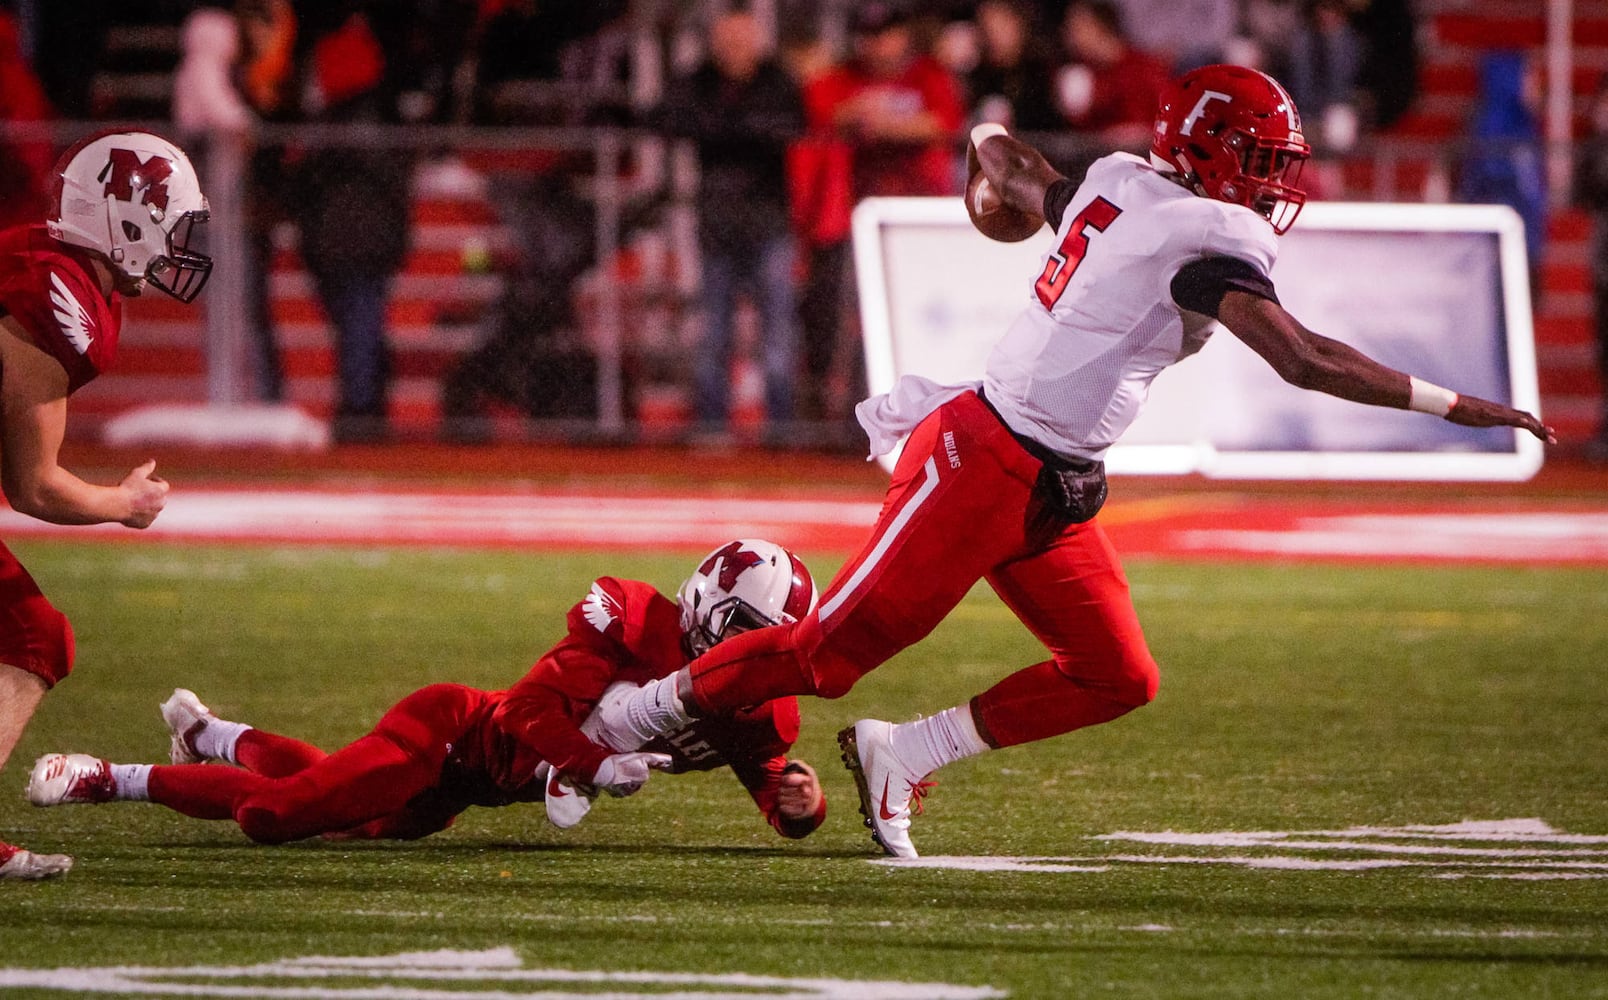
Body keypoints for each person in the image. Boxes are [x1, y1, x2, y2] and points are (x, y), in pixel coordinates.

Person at [602, 65, 1554, 860]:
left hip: (1056, 481)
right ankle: (630, 717)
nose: (1273, 187)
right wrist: (1459, 406)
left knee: (1116, 673)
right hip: (982, 462)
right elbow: (1303, 358)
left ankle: (907, 753)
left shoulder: (1123, 185)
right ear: (1214, 159)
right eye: (1260, 165)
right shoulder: (1202, 236)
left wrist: (983, 139)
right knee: (827, 656)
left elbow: (1021, 175)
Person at [27, 540, 827, 845]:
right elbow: (522, 711)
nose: (760, 653)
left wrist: (799, 805)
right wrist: (588, 762)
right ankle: (110, 777)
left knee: (341, 807)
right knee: (278, 816)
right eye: (750, 632)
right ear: (708, 611)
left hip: (470, 793)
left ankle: (213, 735)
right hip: (450, 734)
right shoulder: (634, 618)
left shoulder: (756, 700)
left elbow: (767, 778)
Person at [0, 129, 213, 879]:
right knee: (31, 636)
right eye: (170, 225)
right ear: (127, 219)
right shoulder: (56, 293)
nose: (177, 248)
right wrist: (120, 504)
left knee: (32, 633)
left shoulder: (46, 262)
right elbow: (32, 485)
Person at [658, 11, 804, 441]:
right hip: (718, 225)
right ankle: (712, 428)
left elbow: (787, 126)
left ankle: (782, 432)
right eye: (727, 41)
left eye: (743, 40)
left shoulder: (776, 80)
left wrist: (726, 129)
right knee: (714, 334)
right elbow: (667, 116)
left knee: (777, 334)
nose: (735, 50)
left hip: (768, 223)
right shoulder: (700, 80)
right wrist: (739, 130)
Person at [1053, 0, 1170, 150]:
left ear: (1099, 27)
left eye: (1077, 29)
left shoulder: (1146, 68)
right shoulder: (1081, 73)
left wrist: (1140, 134)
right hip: (1095, 162)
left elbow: (1169, 121)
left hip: (1145, 159)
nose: (1070, 37)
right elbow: (1078, 133)